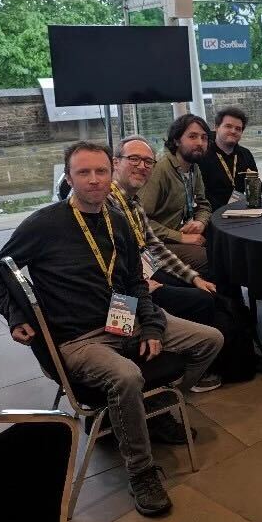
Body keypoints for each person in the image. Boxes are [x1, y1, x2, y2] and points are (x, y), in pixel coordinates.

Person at [0, 141, 223, 516]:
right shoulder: (44, 225)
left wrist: (153, 328)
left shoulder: (119, 221)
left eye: (100, 172)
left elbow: (134, 283)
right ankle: (140, 470)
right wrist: (16, 317)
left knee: (210, 340)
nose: (94, 180)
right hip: (78, 338)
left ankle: (152, 409)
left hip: (123, 316)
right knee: (126, 376)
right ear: (69, 177)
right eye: (83, 173)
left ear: (111, 173)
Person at [110, 135, 222, 392]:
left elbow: (154, 248)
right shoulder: (103, 207)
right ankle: (166, 375)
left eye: (148, 161)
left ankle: (173, 367)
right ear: (116, 163)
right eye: (133, 159)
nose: (142, 166)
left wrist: (193, 277)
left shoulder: (133, 203)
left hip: (138, 278)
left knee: (203, 287)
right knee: (201, 301)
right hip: (124, 293)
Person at [139, 114, 213, 274]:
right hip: (156, 242)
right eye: (192, 136)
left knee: (223, 246)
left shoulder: (194, 168)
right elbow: (139, 220)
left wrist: (200, 222)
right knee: (209, 257)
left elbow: (204, 205)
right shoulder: (160, 169)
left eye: (204, 138)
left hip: (182, 233)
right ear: (177, 140)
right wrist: (180, 237)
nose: (200, 143)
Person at [199, 105, 259, 210]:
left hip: (242, 210)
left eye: (238, 129)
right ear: (216, 127)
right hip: (212, 214)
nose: (233, 131)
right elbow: (201, 194)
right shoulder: (203, 155)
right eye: (228, 126)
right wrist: (225, 209)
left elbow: (257, 186)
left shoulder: (245, 154)